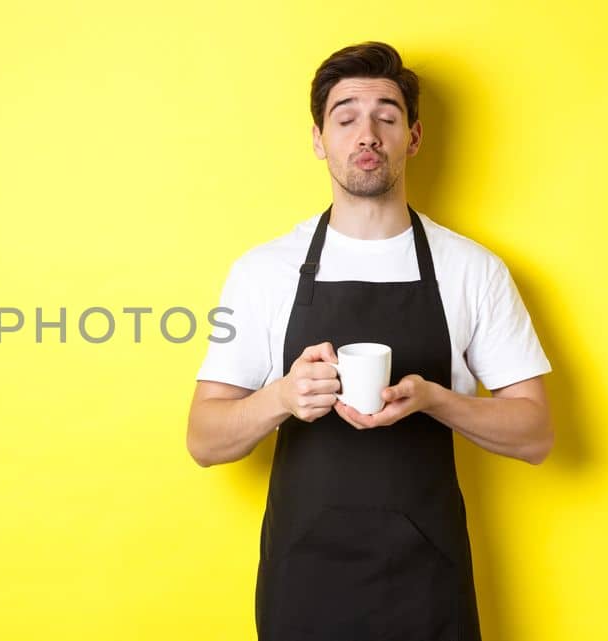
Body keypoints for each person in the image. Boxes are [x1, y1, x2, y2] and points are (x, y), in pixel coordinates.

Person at [185, 42, 553, 641]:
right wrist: (282, 397)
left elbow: (536, 435)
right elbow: (203, 440)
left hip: (427, 582)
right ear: (318, 138)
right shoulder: (263, 271)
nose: (367, 133)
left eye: (387, 115)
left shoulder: (472, 269)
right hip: (303, 583)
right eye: (345, 115)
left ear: (413, 137)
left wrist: (435, 400)